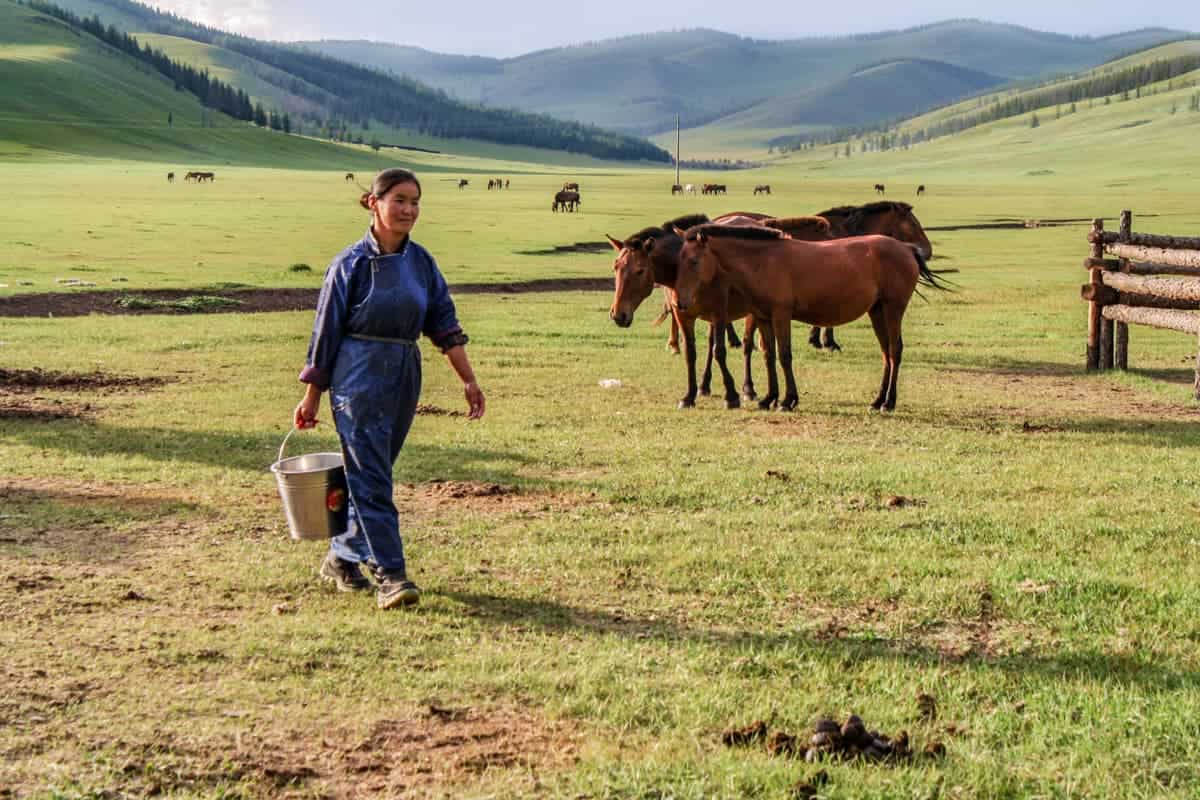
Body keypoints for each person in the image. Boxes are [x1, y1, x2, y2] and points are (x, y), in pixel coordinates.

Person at [294, 168, 485, 609]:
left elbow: (445, 326)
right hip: (357, 374)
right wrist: (312, 394)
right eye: (399, 199)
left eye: (415, 201)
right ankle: (391, 575)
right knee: (372, 477)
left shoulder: (422, 263)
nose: (409, 210)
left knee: (373, 473)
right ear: (374, 203)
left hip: (403, 373)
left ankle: (342, 556)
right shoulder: (349, 265)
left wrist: (469, 380)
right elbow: (324, 335)